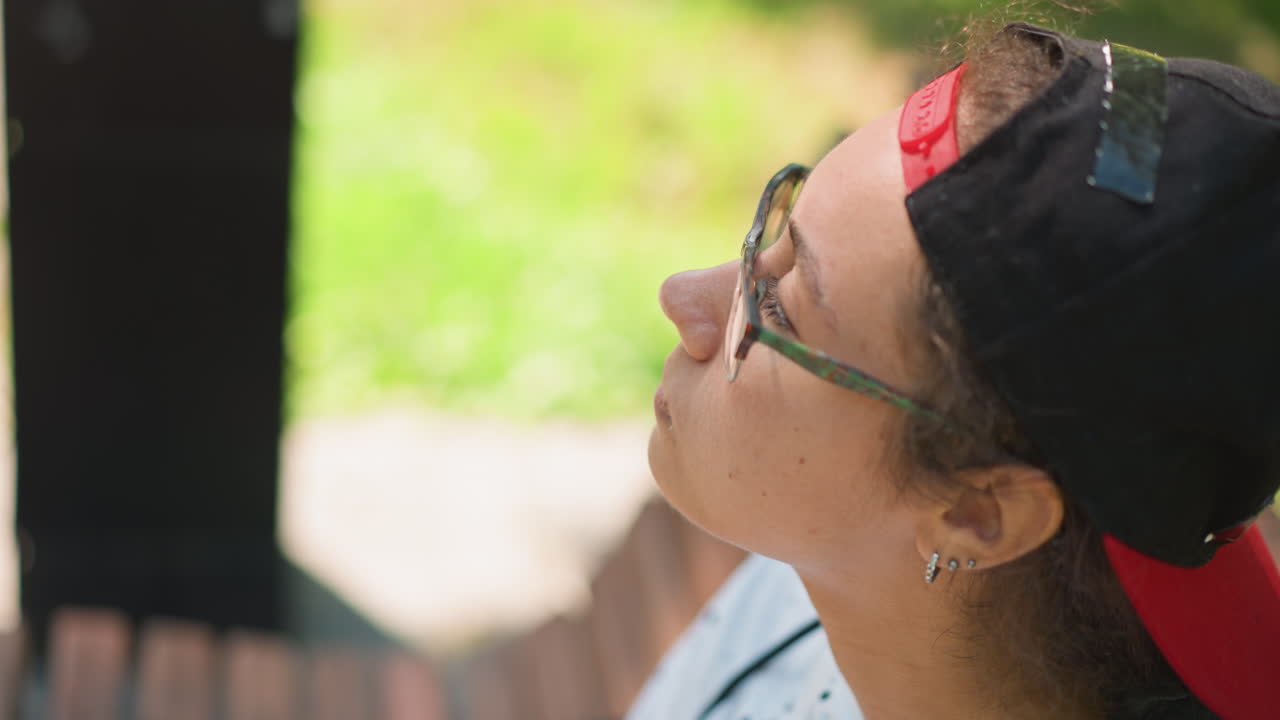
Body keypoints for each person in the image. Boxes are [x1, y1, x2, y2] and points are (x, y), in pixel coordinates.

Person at [632, 19, 1280, 720]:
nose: (683, 297)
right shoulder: (807, 579)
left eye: (780, 312)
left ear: (979, 512)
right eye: (777, 232)